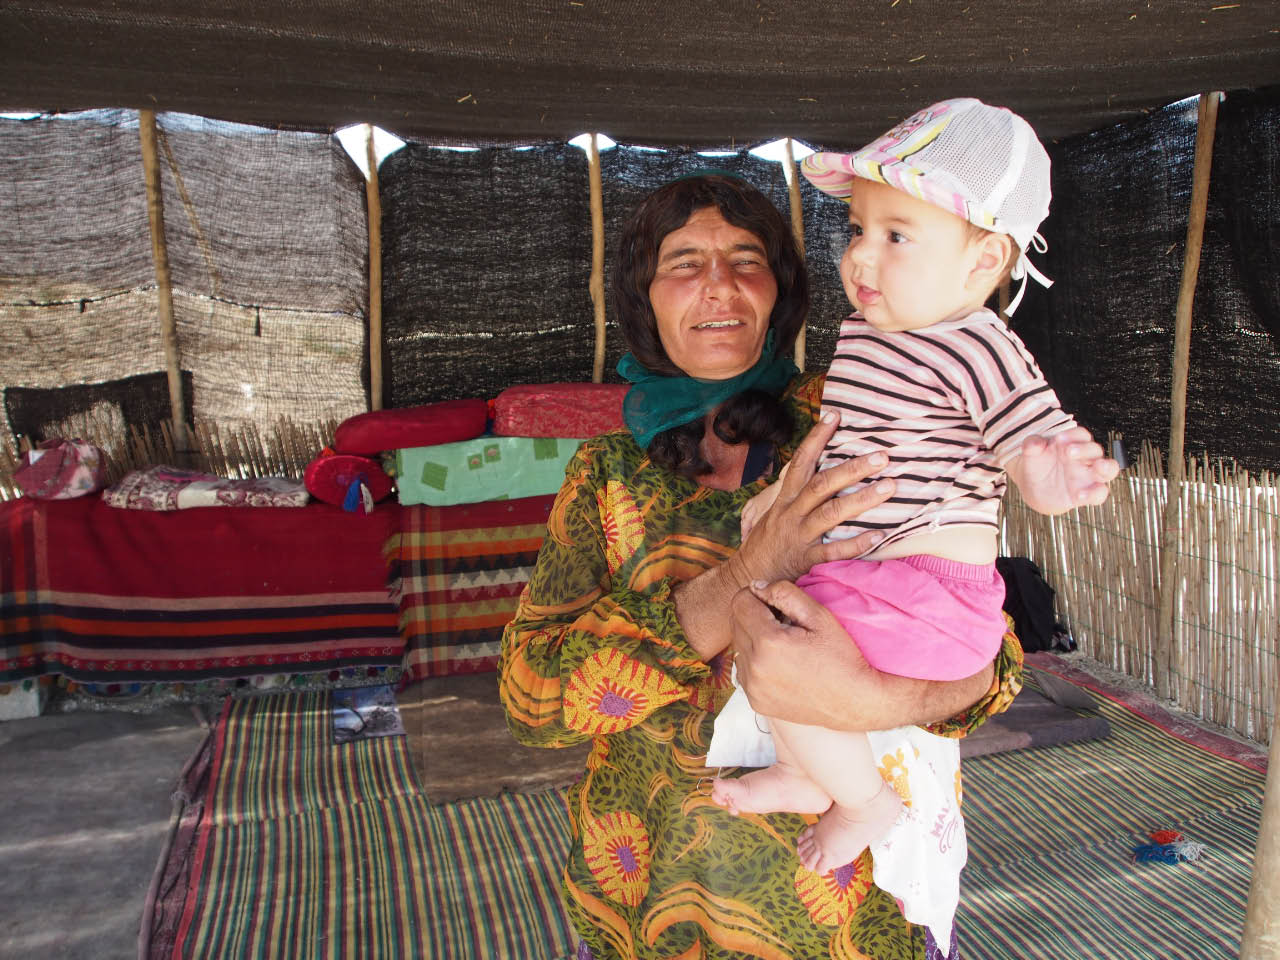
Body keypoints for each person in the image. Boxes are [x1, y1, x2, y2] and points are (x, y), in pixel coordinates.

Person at [499, 171, 1024, 960]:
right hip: (650, 898)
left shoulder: (857, 419)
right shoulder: (606, 475)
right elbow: (532, 702)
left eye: (746, 259)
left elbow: (994, 659)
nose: (718, 285)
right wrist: (750, 568)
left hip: (844, 913)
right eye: (683, 262)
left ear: (781, 290)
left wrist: (873, 695)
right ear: (644, 297)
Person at [705, 99, 1119, 948]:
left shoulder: (979, 344)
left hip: (929, 591)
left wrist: (1061, 472)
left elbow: (1030, 462)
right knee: (775, 619)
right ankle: (804, 767)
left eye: (898, 234)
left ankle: (861, 799)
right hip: (874, 576)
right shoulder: (867, 333)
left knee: (781, 635)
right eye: (858, 228)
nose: (861, 253)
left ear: (984, 261)